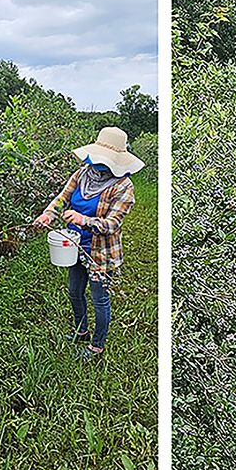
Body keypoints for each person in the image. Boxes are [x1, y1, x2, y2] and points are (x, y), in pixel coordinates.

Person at [34, 127, 144, 359]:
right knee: (74, 291)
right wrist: (48, 214)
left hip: (101, 254)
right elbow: (62, 197)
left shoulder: (123, 187)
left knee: (99, 298)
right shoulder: (83, 173)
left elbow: (112, 223)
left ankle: (97, 346)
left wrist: (84, 220)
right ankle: (81, 331)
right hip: (75, 246)